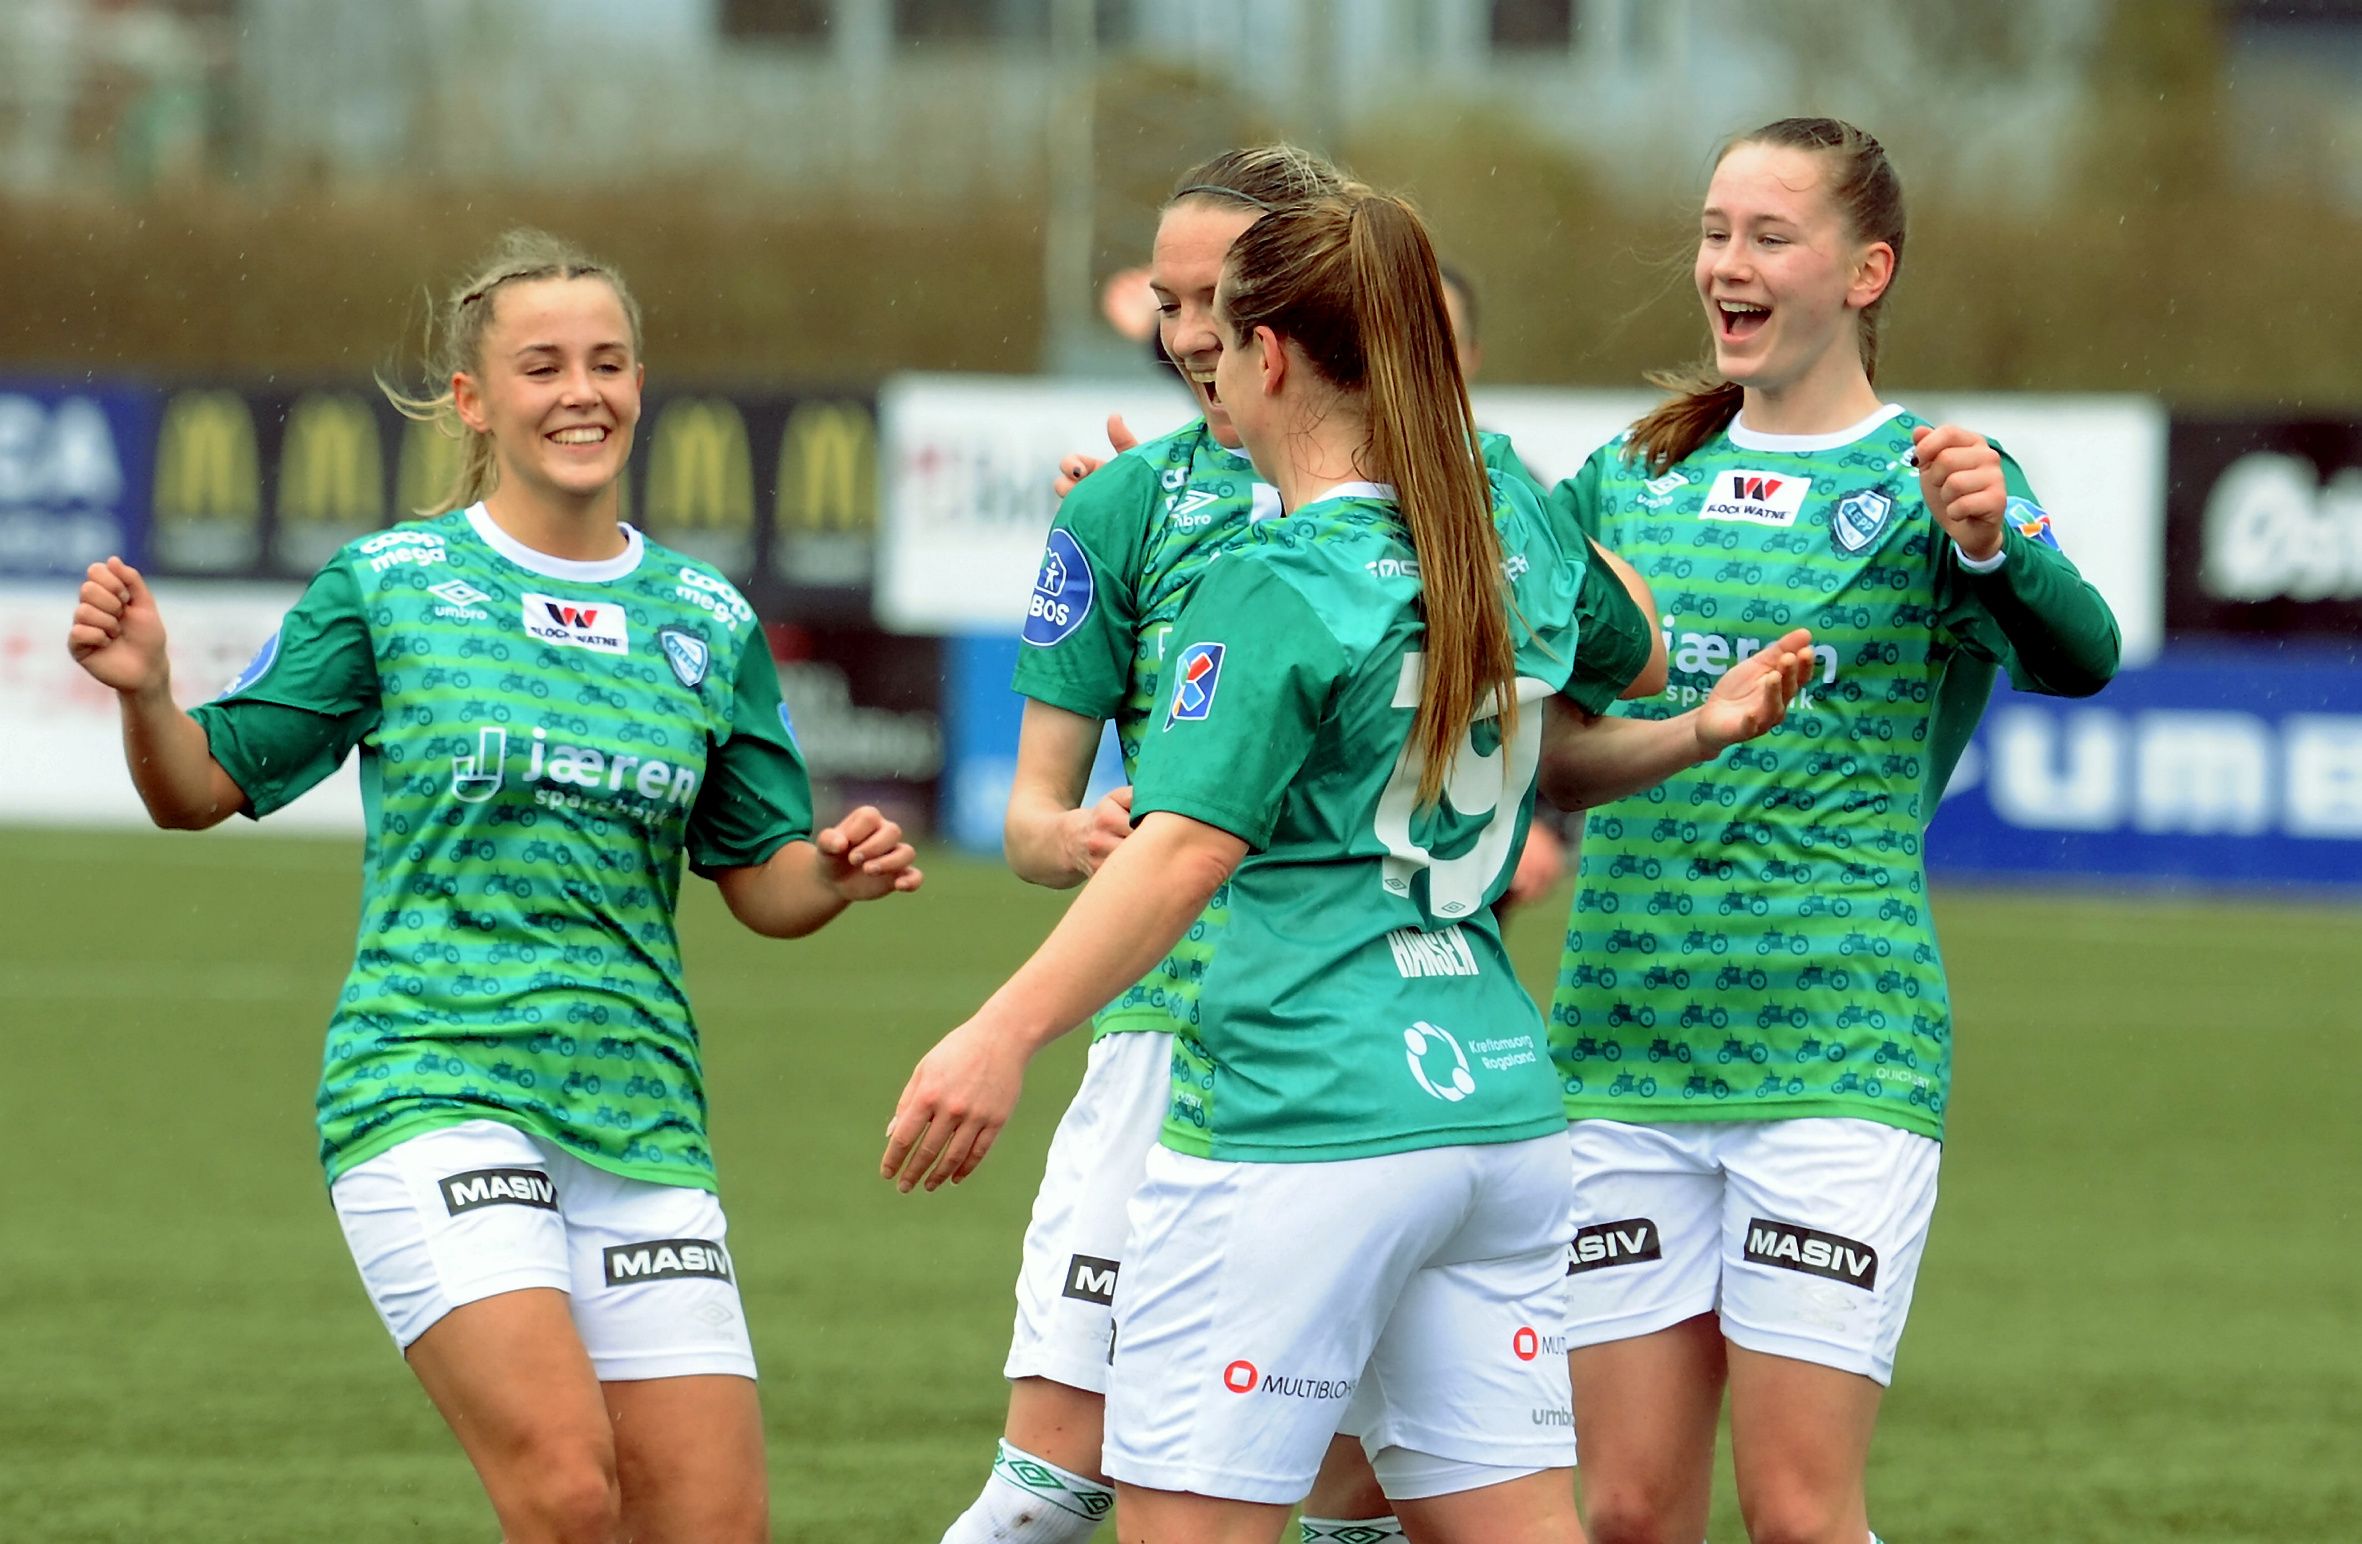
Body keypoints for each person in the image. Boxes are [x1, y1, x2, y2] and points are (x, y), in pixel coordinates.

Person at [886, 186, 1814, 1544]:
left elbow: (1182, 852)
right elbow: (1638, 654)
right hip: (1492, 1105)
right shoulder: (1496, 525)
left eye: (1218, 331)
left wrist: (1000, 1032)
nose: (1196, 355)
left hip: (1305, 1109)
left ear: (1268, 356)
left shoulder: (1274, 575)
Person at [65, 229, 921, 1544]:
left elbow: (762, 881)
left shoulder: (707, 619)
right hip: (434, 1087)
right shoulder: (393, 588)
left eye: (608, 363)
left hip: (641, 1116)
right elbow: (197, 787)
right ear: (473, 399)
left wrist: (835, 875)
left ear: (640, 385)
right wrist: (146, 696)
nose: (582, 392)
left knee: (712, 1526)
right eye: (543, 366)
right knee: (569, 1489)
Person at [1540, 118, 2121, 1544]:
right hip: (1619, 1052)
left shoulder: (1937, 480)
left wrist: (1993, 544)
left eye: (1767, 236)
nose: (1724, 264)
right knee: (1626, 1514)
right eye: (1712, 232)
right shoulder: (1625, 479)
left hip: (1835, 1061)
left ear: (1867, 271)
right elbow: (1547, 756)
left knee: (1798, 1514)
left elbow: (2083, 656)